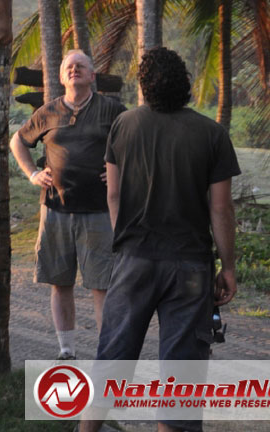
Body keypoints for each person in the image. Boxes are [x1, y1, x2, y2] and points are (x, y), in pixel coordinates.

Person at [79, 47, 241, 432]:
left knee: (112, 360)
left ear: (144, 85)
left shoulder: (124, 126)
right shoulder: (212, 134)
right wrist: (229, 266)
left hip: (134, 260)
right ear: (185, 83)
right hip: (190, 267)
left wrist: (126, 242)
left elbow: (113, 195)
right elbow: (220, 209)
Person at [10, 50, 124, 359]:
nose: (74, 71)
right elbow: (17, 141)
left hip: (99, 211)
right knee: (60, 282)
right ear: (62, 77)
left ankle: (106, 351)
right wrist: (33, 173)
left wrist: (121, 171)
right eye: (69, 68)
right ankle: (66, 349)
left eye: (81, 67)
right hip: (56, 209)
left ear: (92, 76)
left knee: (102, 285)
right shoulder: (48, 112)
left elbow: (136, 142)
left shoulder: (112, 110)